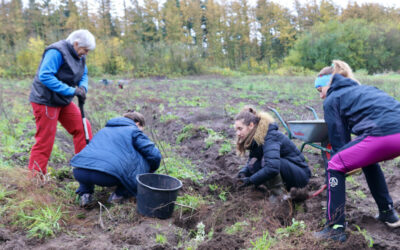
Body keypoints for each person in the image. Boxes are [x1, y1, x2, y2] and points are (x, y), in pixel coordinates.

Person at [313, 60, 400, 242]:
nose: (321, 96)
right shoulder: (365, 89)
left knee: (335, 163)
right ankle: (388, 213)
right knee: (367, 159)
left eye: (319, 90)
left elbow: (339, 141)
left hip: (382, 135)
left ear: (327, 84)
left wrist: (336, 173)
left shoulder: (332, 99)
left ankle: (335, 228)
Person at [28, 29, 96, 175]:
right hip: (46, 100)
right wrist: (72, 91)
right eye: (85, 50)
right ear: (76, 44)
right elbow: (45, 76)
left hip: (62, 100)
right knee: (45, 140)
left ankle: (83, 170)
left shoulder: (79, 55)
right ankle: (35, 178)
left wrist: (83, 88)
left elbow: (83, 73)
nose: (86, 53)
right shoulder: (56, 51)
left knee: (83, 128)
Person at [70, 111, 162, 207]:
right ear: (138, 123)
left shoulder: (104, 130)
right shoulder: (133, 130)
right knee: (142, 161)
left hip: (79, 172)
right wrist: (151, 170)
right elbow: (154, 155)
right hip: (106, 176)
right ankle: (119, 195)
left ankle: (85, 194)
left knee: (92, 160)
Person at [234, 107, 311, 202]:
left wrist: (251, 180)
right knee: (254, 164)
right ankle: (272, 192)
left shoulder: (269, 136)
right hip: (288, 170)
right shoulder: (255, 137)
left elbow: (272, 168)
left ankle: (279, 196)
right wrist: (243, 173)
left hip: (299, 176)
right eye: (236, 129)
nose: (237, 133)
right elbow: (252, 160)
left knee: (267, 162)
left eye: (240, 129)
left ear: (251, 125)